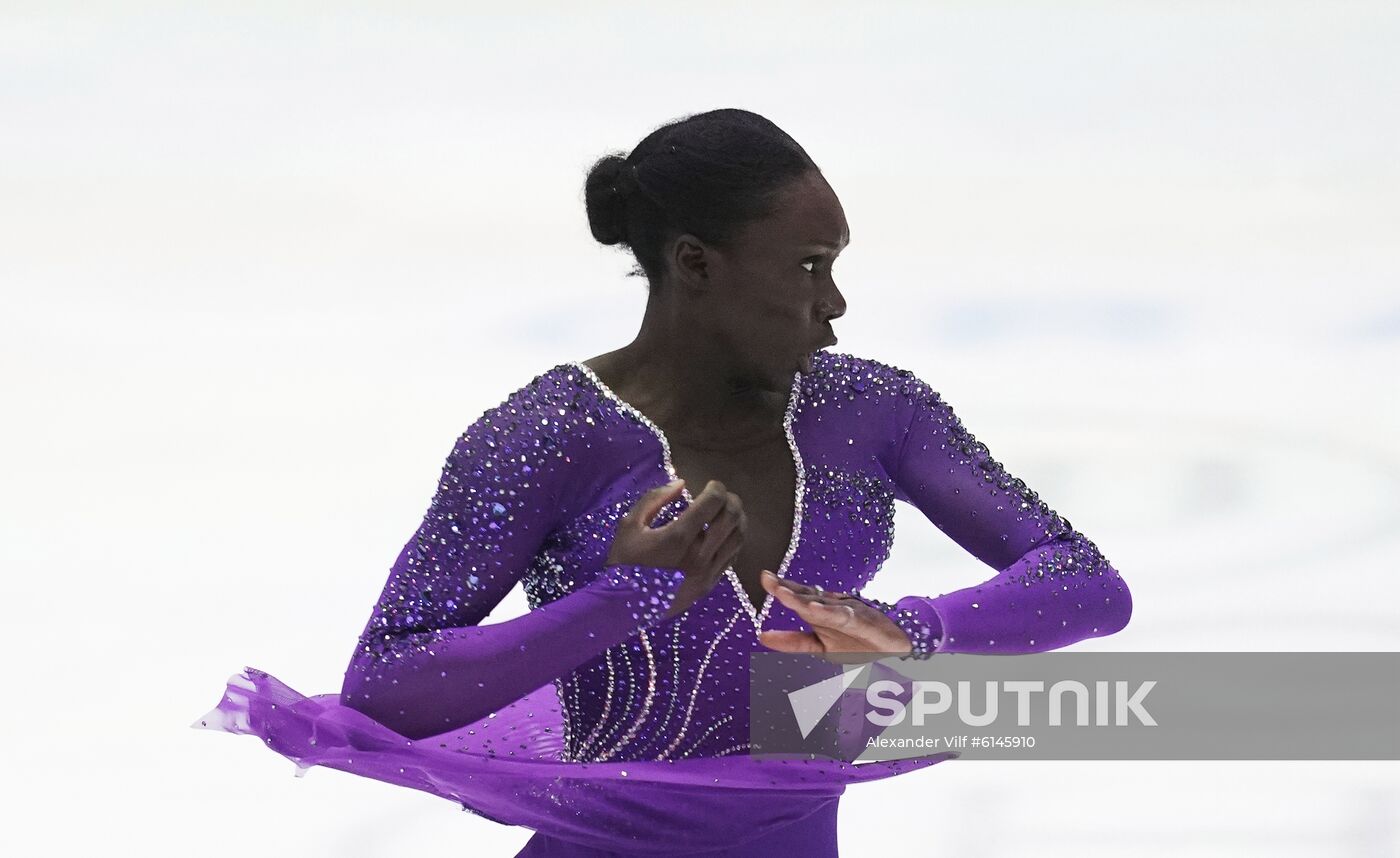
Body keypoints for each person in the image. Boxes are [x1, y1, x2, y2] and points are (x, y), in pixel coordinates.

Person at [192, 108, 1133, 857]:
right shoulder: (550, 435)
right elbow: (385, 686)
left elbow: (1088, 581)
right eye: (808, 266)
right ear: (695, 265)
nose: (834, 301)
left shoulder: (871, 411)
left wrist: (912, 631)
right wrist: (619, 601)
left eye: (836, 267)